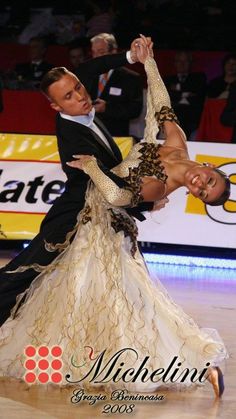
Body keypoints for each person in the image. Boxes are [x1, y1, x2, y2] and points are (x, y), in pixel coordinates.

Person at [0, 36, 229, 398]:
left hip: (100, 225)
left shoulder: (160, 186)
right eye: (210, 181)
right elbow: (162, 106)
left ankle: (193, 365)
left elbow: (119, 195)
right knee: (86, 298)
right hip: (91, 220)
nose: (202, 184)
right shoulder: (178, 143)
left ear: (196, 196)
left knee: (94, 300)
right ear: (210, 167)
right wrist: (149, 61)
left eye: (203, 192)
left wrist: (93, 169)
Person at [0, 41, 155, 326]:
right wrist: (148, 198)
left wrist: (132, 56)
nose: (80, 97)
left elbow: (91, 67)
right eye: (68, 97)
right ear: (55, 106)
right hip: (74, 217)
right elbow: (108, 181)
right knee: (26, 272)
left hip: (98, 216)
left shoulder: (82, 106)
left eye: (79, 88)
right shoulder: (74, 139)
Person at [88, 33, 143, 136]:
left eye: (101, 52)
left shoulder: (130, 78)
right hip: (89, 135)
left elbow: (135, 110)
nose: (96, 57)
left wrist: (107, 108)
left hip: (116, 138)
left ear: (113, 52)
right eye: (93, 53)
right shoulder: (87, 74)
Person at [164, 51, 207, 140]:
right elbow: (167, 96)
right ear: (175, 63)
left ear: (190, 63)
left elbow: (199, 94)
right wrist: (186, 94)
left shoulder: (199, 78)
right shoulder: (167, 79)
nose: (182, 64)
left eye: (185, 61)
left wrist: (177, 88)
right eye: (179, 61)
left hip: (193, 120)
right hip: (173, 119)